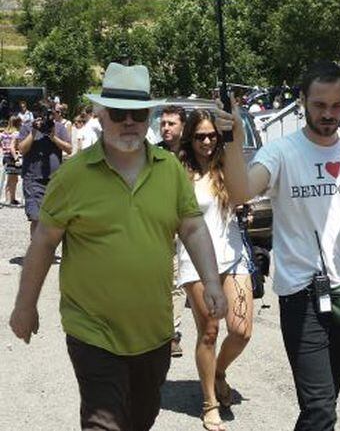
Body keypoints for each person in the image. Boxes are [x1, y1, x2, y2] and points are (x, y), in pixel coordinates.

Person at [9, 63, 227, 431]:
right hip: (92, 331)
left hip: (153, 332)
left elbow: (191, 227)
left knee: (140, 419)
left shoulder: (169, 170)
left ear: (149, 117)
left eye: (138, 114)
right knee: (103, 423)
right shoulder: (73, 175)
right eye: (118, 113)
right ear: (100, 114)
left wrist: (213, 282)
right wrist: (24, 306)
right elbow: (43, 243)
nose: (129, 121)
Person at [216, 61, 340, 431]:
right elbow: (241, 191)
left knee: (325, 402)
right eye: (319, 105)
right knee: (321, 410)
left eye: (336, 106)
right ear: (302, 103)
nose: (328, 114)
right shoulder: (281, 152)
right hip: (302, 296)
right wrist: (230, 141)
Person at [178, 109, 253, 431]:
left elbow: (248, 193)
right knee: (209, 332)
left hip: (233, 255)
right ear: (190, 139)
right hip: (195, 260)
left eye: (212, 135)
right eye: (200, 136)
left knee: (241, 331)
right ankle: (209, 402)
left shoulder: (228, 167)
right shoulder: (180, 172)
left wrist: (247, 210)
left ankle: (219, 370)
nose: (207, 141)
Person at [17, 101, 72, 239]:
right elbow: (22, 149)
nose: (48, 116)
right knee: (36, 217)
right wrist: (34, 131)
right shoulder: (27, 127)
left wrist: (53, 137)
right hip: (33, 178)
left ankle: (45, 248)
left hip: (54, 179)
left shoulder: (59, 128)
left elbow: (69, 149)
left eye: (51, 112)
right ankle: (36, 251)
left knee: (52, 217)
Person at [158, 105, 187, 358]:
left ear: (183, 127)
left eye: (171, 123)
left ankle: (173, 333)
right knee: (166, 281)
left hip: (192, 229)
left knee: (178, 284)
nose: (166, 128)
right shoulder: (153, 154)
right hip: (162, 229)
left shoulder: (195, 154)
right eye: (163, 123)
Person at [0, 115, 22, 205]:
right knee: (12, 179)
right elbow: (14, 147)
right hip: (12, 156)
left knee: (11, 178)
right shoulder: (16, 133)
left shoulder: (4, 133)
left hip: (5, 156)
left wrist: (3, 149)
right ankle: (10, 199)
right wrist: (17, 158)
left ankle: (10, 197)